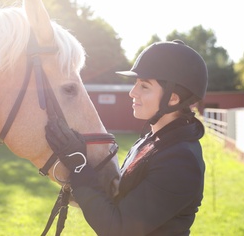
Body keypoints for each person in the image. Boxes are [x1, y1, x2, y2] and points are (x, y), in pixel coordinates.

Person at [45, 40, 208, 236]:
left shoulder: (180, 161)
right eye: (135, 84)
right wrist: (82, 161)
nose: (132, 92)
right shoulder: (153, 140)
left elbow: (118, 229)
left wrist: (79, 167)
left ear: (173, 99)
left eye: (144, 86)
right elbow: (117, 198)